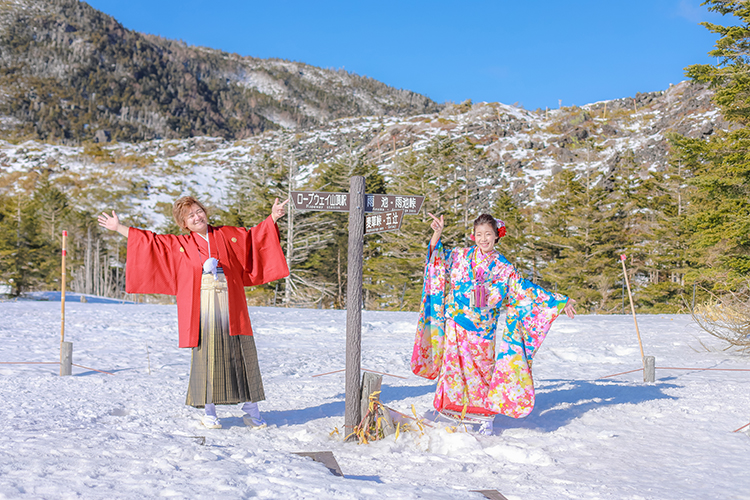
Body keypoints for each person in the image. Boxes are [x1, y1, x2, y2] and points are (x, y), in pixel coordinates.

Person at [98, 196, 290, 429]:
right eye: (191, 215)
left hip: (231, 304)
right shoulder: (180, 244)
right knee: (207, 357)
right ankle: (210, 412)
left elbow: (254, 237)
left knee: (241, 353)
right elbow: (150, 241)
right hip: (203, 308)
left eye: (199, 211)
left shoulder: (227, 234)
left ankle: (251, 410)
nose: (198, 217)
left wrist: (273, 217)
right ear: (184, 224)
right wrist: (118, 227)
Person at [411, 213, 576, 435]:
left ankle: (486, 414)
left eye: (488, 234)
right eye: (479, 234)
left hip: (483, 327)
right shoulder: (461, 256)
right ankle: (454, 410)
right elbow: (436, 261)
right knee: (454, 368)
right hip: (456, 324)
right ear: (473, 236)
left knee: (482, 369)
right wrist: (437, 233)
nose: (483, 239)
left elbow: (525, 289)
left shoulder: (503, 266)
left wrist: (558, 301)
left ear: (497, 235)